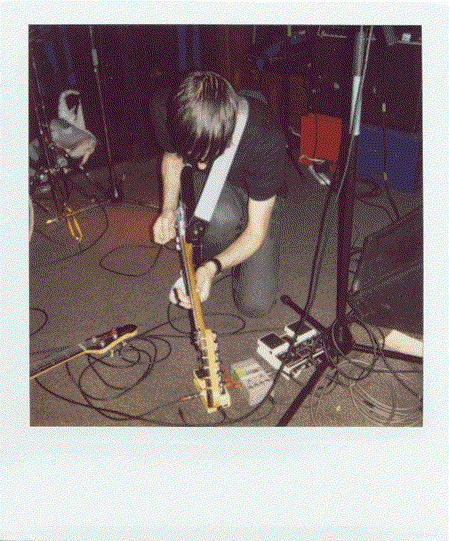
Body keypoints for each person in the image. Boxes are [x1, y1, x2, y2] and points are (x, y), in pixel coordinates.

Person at [150, 71, 287, 318]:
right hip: (223, 183)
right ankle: (219, 245)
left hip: (258, 193)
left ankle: (229, 257)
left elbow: (256, 231)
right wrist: (168, 209)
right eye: (195, 157)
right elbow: (172, 157)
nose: (201, 166)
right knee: (220, 217)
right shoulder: (165, 107)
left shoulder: (265, 138)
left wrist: (213, 267)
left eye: (210, 156)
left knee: (255, 306)